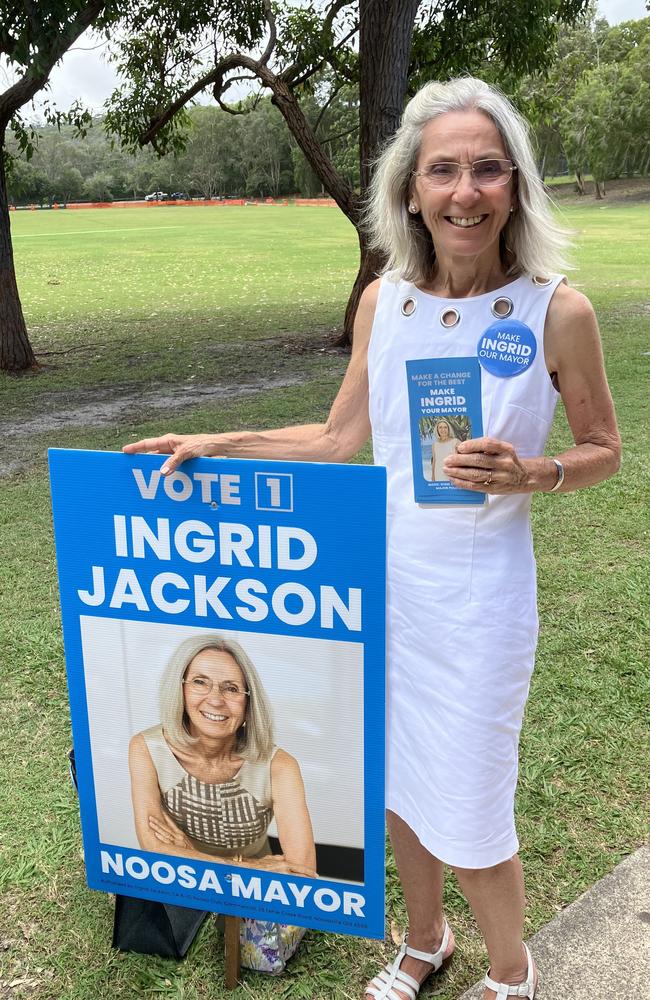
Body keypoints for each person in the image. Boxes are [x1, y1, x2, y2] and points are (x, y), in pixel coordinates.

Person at [123, 77, 620, 1000]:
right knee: (398, 789)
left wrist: (535, 473)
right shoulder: (384, 302)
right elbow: (337, 438)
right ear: (410, 190)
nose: (463, 191)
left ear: (514, 186)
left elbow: (605, 449)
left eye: (485, 170)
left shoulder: (559, 311)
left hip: (478, 605)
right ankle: (423, 943)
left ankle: (513, 973)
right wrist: (216, 441)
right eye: (443, 170)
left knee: (469, 800)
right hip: (384, 591)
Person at [128, 633, 316, 877]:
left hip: (259, 889)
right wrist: (240, 865)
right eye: (200, 682)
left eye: (232, 688)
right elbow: (153, 848)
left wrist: (189, 853)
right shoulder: (146, 748)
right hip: (185, 879)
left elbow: (303, 871)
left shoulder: (279, 766)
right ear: (180, 688)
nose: (215, 700)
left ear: (249, 703)